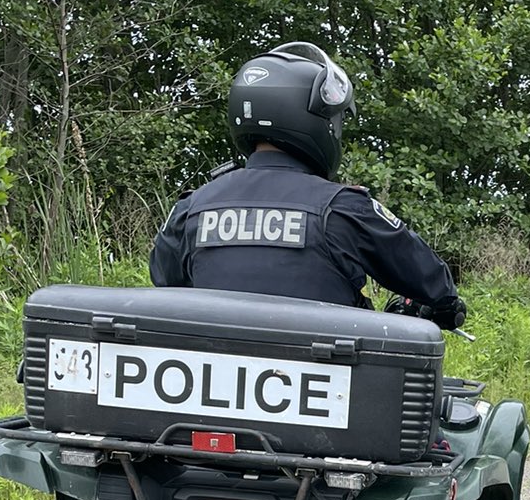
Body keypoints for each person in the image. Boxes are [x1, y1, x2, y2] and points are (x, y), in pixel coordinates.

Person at [149, 42, 466, 328]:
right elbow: (437, 288)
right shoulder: (345, 209)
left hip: (211, 384)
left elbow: (164, 282)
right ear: (314, 119)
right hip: (331, 387)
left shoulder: (190, 209)